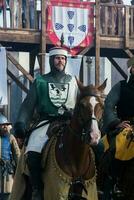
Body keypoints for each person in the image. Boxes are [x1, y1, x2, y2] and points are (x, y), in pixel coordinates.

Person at [14, 46, 79, 200]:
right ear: (51, 60)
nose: (60, 61)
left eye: (63, 58)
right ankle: (37, 189)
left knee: (90, 148)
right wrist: (21, 122)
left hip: (69, 123)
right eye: (57, 58)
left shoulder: (74, 82)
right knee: (33, 152)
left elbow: (81, 105)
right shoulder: (40, 81)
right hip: (45, 122)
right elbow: (28, 106)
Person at [100, 57, 134, 196]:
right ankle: (113, 181)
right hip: (126, 125)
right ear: (130, 69)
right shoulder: (121, 86)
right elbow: (108, 106)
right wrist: (115, 122)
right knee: (120, 145)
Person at [0, 113, 20, 198]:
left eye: (6, 125)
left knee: (7, 193)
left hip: (8, 169)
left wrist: (19, 169)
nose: (5, 127)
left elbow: (17, 154)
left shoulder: (11, 137)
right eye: (2, 125)